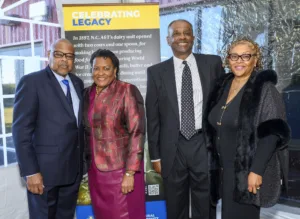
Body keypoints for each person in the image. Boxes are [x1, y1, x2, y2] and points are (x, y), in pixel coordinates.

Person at [146, 19, 224, 219]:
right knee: (175, 204)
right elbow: (153, 117)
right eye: (177, 33)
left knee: (206, 203)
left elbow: (223, 102)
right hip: (173, 147)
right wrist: (155, 156)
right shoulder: (156, 72)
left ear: (193, 38)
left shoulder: (212, 64)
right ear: (168, 39)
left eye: (187, 33)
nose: (182, 37)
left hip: (204, 143)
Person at [204, 37, 290, 219]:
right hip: (223, 170)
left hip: (245, 172)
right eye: (234, 56)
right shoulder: (222, 86)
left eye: (245, 56)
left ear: (255, 59)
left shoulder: (265, 90)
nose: (239, 61)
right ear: (228, 59)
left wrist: (256, 170)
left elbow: (272, 134)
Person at [12, 38, 84, 219]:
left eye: (69, 56)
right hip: (44, 174)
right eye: (59, 54)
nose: (64, 60)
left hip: (72, 172)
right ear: (48, 55)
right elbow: (21, 132)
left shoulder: (77, 83)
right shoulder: (31, 83)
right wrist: (31, 172)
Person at [83, 49, 146, 219]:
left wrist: (130, 173)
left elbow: (137, 132)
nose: (101, 73)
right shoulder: (86, 94)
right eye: (96, 68)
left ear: (115, 70)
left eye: (106, 68)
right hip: (96, 172)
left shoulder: (127, 90)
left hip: (121, 171)